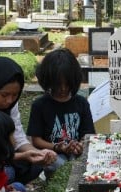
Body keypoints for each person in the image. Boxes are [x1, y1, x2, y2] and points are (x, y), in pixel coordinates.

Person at [0, 57, 58, 185]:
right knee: (8, 172)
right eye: (4, 95)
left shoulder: (11, 104)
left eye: (15, 95)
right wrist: (22, 156)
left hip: (5, 155)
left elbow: (18, 137)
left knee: (35, 164)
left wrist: (38, 153)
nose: (10, 100)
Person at [27, 48, 96, 176]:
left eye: (67, 83)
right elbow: (36, 140)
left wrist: (79, 146)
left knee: (84, 162)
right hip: (53, 154)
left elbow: (88, 135)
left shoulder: (81, 103)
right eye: (58, 84)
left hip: (76, 153)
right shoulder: (40, 105)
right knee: (57, 164)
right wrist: (57, 147)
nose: (63, 89)